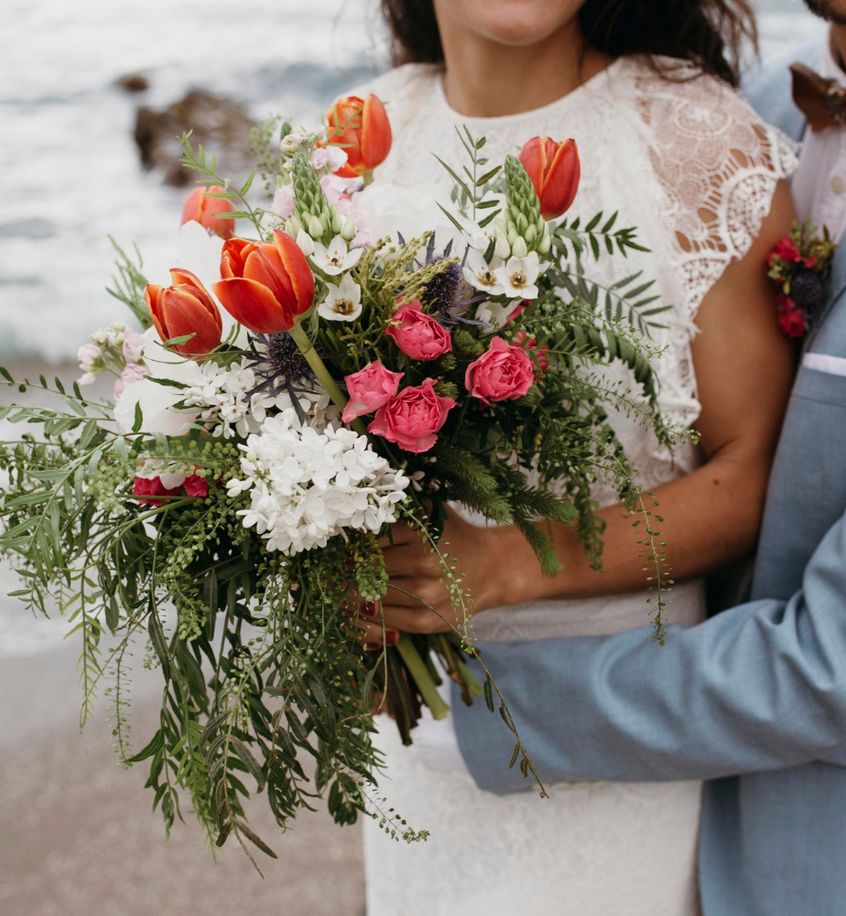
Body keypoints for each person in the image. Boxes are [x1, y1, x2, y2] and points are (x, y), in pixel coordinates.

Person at [370, 3, 846, 915]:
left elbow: (755, 475)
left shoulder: (699, 136)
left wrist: (504, 562)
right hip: (410, 741)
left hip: (634, 719)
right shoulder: (359, 139)